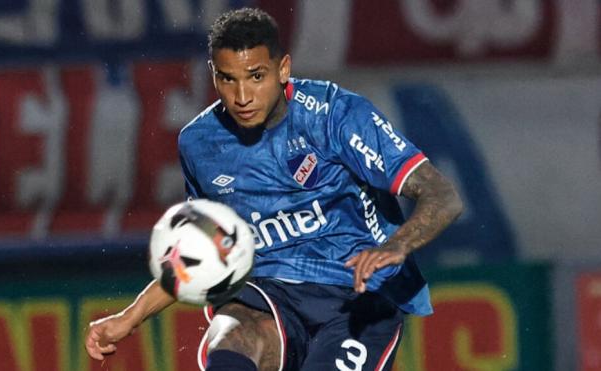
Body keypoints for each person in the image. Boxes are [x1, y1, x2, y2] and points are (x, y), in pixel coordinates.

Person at [85, 7, 463, 371]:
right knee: (231, 333)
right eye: (227, 79)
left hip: (358, 295)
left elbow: (442, 195)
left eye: (256, 76)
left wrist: (398, 245)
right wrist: (130, 317)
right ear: (213, 76)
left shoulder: (336, 116)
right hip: (267, 290)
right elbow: (203, 248)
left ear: (283, 69)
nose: (242, 96)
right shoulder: (199, 144)